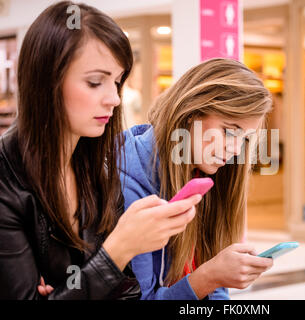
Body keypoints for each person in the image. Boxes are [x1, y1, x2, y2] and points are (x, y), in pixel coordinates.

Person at [0, 1, 200, 300]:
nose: (114, 99)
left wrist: (70, 291)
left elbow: (128, 291)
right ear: (46, 81)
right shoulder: (7, 180)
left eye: (117, 82)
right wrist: (118, 250)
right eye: (95, 82)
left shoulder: (99, 168)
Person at [120, 58, 274, 300]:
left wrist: (217, 278)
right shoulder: (128, 186)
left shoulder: (205, 175)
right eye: (229, 131)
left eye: (245, 138)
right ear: (191, 113)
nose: (236, 149)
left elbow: (216, 295)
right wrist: (210, 276)